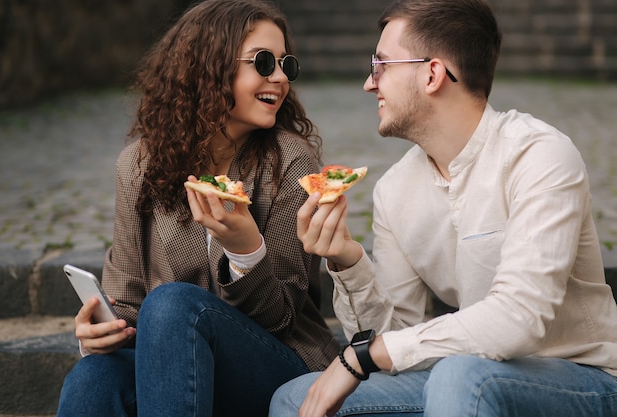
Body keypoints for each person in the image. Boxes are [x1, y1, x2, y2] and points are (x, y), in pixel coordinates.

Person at [269, 0, 617, 416]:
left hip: (585, 380)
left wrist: (361, 356)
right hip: (472, 374)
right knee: (294, 397)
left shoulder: (539, 155)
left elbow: (519, 318)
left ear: (432, 73)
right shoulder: (395, 189)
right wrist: (345, 258)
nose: (368, 83)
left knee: (462, 375)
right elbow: (397, 338)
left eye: (381, 65)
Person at [56, 1, 339, 416]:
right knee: (92, 377)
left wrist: (245, 250)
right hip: (174, 367)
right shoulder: (139, 166)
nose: (279, 77)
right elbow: (128, 299)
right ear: (208, 67)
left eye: (285, 64)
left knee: (173, 305)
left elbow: (282, 319)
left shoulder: (290, 161)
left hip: (276, 364)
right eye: (263, 62)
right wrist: (99, 330)